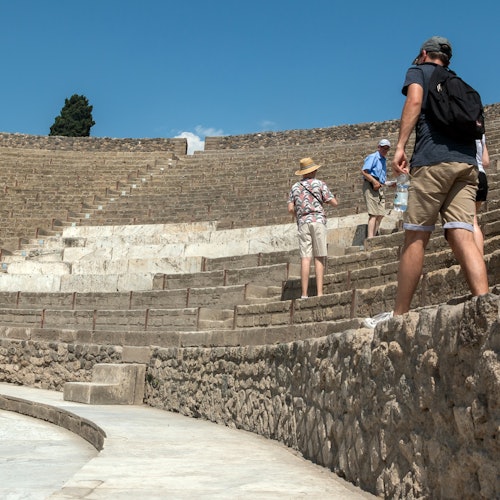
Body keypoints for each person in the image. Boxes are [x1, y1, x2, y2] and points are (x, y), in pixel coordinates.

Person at [363, 36, 489, 328]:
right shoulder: (459, 82)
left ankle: (399, 316)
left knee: (416, 236)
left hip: (432, 162)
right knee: (462, 233)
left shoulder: (419, 71)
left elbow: (415, 100)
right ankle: (485, 303)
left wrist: (400, 146)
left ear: (424, 53)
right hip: (466, 165)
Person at [288, 157, 338, 298]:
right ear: (313, 171)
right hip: (318, 220)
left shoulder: (295, 187)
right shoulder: (319, 184)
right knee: (319, 256)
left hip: (303, 222)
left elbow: (290, 208)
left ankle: (304, 294)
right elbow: (334, 203)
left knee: (305, 257)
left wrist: (299, 213)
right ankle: (319, 292)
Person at [361, 139, 391, 238]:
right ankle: (370, 239)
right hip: (370, 185)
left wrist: (389, 184)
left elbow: (381, 179)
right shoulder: (373, 157)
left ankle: (373, 236)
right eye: (383, 147)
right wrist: (374, 182)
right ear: (379, 147)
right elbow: (364, 172)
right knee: (373, 214)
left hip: (379, 186)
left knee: (381, 214)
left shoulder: (383, 160)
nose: (384, 150)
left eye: (387, 148)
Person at [473, 134, 490, 255]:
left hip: (469, 174)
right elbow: (486, 162)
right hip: (481, 175)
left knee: (471, 222)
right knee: (473, 220)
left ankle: (477, 260)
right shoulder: (480, 132)